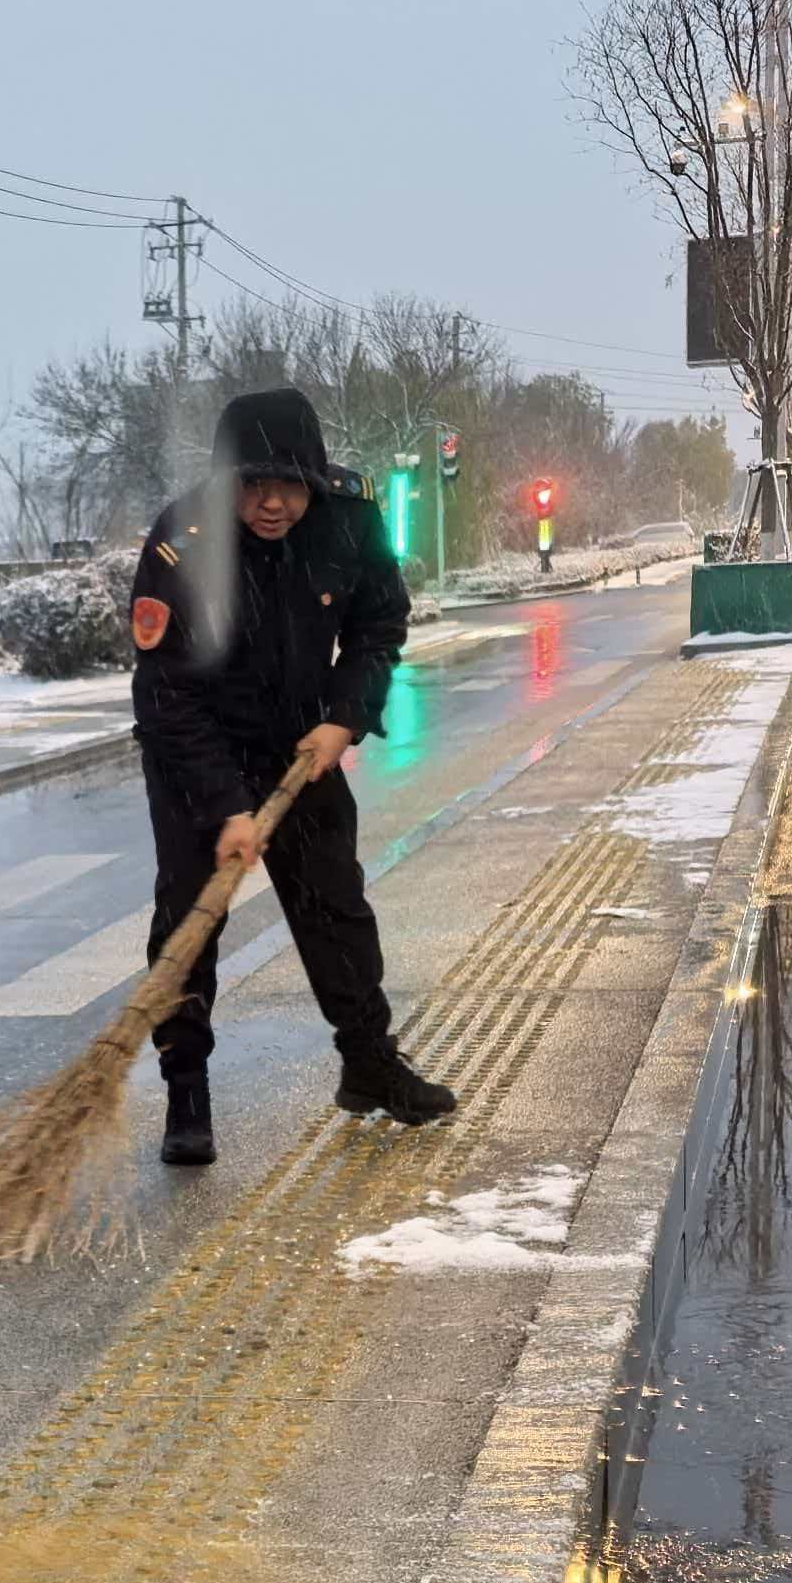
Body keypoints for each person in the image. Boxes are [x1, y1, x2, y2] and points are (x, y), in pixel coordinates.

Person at [126, 386, 460, 1166]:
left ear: (317, 475)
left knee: (334, 905)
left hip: (299, 744)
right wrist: (224, 806)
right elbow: (164, 692)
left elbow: (380, 623)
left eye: (290, 484)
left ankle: (369, 1064)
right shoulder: (183, 538)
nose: (272, 503)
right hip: (195, 753)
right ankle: (187, 1091)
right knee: (188, 920)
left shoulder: (348, 521)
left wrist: (346, 714)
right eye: (253, 484)